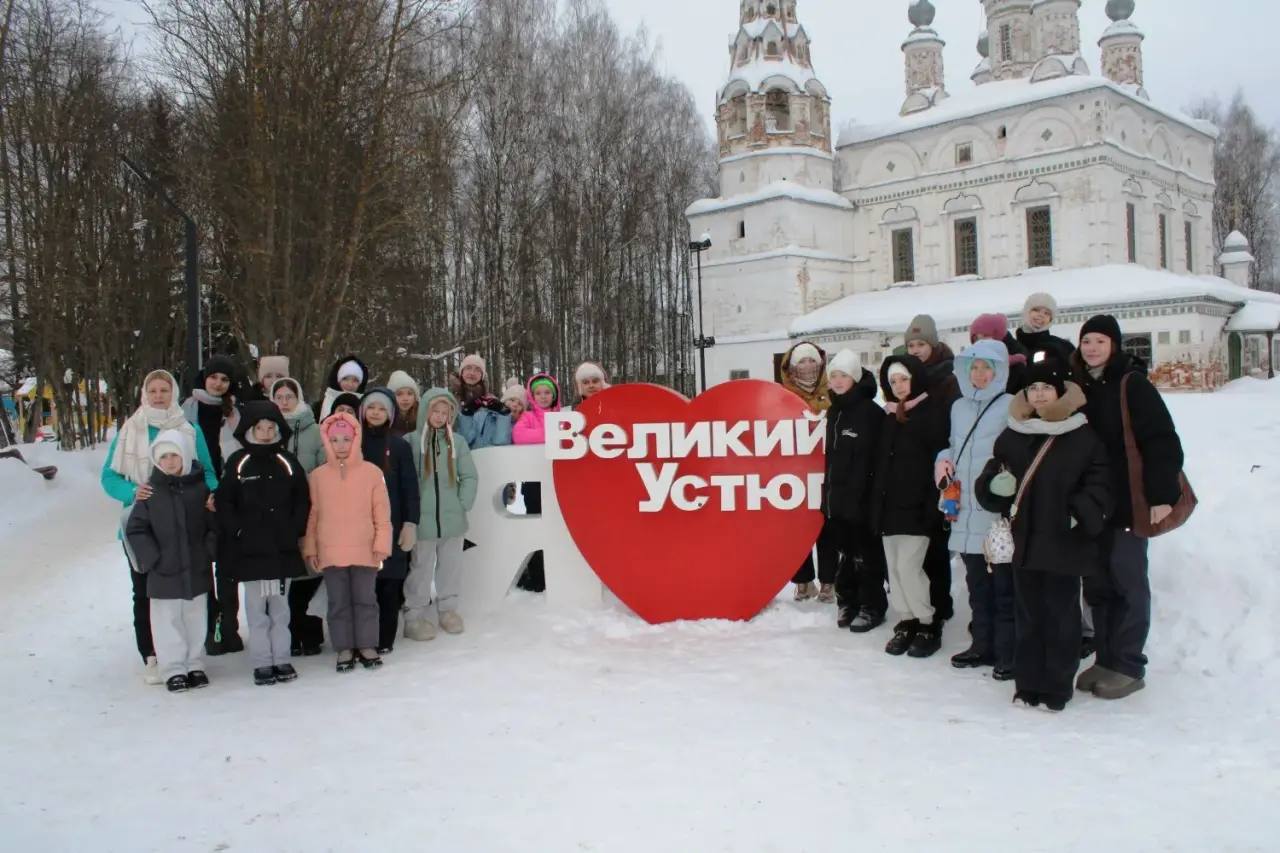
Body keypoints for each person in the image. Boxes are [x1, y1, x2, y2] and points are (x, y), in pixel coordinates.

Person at [977, 361, 1111, 711]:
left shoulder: (1082, 435)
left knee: (1061, 617)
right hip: (1024, 541)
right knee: (1028, 615)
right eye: (1032, 389)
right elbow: (993, 472)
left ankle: (1056, 686)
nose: (1038, 395)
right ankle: (1028, 684)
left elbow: (1100, 483)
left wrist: (1076, 514)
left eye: (1046, 388)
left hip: (1064, 541)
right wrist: (992, 485)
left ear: (1060, 391)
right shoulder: (1013, 433)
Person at [1072, 314, 1184, 700]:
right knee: (1098, 585)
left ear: (1114, 345)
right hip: (1094, 504)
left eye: (1100, 341)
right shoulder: (1079, 384)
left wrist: (1161, 496)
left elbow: (1162, 440)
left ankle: (1129, 664)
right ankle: (1106, 658)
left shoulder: (1131, 384)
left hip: (1128, 502)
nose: (1092, 348)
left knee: (1127, 582)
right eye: (1086, 341)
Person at [102, 369, 218, 685]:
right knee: (146, 594)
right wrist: (133, 492)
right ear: (144, 393)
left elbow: (208, 472)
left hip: (188, 524)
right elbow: (109, 477)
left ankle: (191, 656)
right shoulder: (131, 428)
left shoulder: (189, 429)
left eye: (164, 390)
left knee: (193, 595)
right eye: (152, 390)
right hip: (146, 525)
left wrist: (209, 496)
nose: (158, 396)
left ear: (173, 393)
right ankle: (153, 655)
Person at [934, 339, 1016, 678]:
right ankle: (982, 644)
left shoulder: (1010, 404)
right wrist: (943, 460)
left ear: (999, 372)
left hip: (993, 510)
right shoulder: (958, 407)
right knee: (977, 585)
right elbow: (954, 446)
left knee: (1003, 588)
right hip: (964, 506)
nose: (980, 374)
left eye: (987, 368)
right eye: (974, 368)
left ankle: (1008, 652)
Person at [215, 401, 311, 686]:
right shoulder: (239, 462)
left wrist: (294, 529)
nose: (266, 433)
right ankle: (261, 662)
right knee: (257, 612)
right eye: (260, 428)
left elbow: (302, 499)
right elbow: (225, 502)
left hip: (282, 549)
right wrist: (239, 531)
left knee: (280, 610)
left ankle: (281, 658)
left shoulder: (287, 461)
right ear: (250, 430)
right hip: (251, 552)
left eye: (271, 428)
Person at [870, 355, 951, 658]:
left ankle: (928, 621)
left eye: (904, 379)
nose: (899, 386)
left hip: (918, 509)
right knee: (894, 569)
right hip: (889, 509)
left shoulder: (932, 413)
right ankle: (906, 620)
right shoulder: (889, 417)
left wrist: (932, 506)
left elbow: (939, 464)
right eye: (893, 381)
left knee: (910, 567)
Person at [124, 431, 216, 693]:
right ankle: (173, 668)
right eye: (163, 456)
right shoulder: (150, 493)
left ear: (184, 455)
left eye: (174, 455)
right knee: (167, 621)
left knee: (195, 619)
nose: (170, 461)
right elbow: (136, 528)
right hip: (163, 571)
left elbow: (212, 525)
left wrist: (207, 551)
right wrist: (153, 558)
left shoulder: (200, 490)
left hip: (196, 568)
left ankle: (194, 663)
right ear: (156, 460)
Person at [303, 413, 393, 672]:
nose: (341, 445)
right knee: (338, 602)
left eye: (346, 439)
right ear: (326, 442)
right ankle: (344, 647)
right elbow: (313, 514)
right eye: (335, 440)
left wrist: (382, 543)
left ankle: (366, 644)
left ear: (356, 440)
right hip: (331, 551)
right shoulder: (318, 476)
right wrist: (311, 547)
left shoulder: (372, 473)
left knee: (365, 600)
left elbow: (381, 512)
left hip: (364, 549)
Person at [181, 355, 245, 657]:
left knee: (228, 566)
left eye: (224, 379)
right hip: (196, 493)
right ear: (204, 377)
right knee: (203, 564)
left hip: (228, 493)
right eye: (214, 377)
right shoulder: (186, 409)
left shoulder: (234, 412)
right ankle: (210, 629)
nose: (218, 384)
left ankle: (229, 627)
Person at [821, 350, 888, 632]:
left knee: (867, 556)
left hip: (862, 501)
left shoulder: (871, 413)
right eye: (834, 375)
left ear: (855, 378)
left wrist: (871, 499)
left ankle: (872, 606)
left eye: (844, 375)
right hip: (837, 501)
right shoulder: (834, 411)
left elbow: (877, 460)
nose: (838, 381)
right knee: (845, 556)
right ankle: (847, 601)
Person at [405, 389, 479, 640]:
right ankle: (414, 616)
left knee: (451, 567)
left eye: (444, 413)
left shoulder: (457, 442)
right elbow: (404, 479)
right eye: (434, 411)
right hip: (422, 520)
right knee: (420, 568)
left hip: (452, 519)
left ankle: (448, 610)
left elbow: (469, 476)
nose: (439, 416)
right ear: (425, 411)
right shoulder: (411, 441)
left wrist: (462, 503)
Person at [903, 315, 961, 623]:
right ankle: (918, 601)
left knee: (936, 541)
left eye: (921, 344)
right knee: (916, 542)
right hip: (912, 468)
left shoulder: (948, 378)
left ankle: (941, 602)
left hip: (940, 467)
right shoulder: (906, 376)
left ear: (933, 344)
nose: (915, 350)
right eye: (911, 345)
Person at [360, 388, 421, 654]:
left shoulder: (399, 445)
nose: (376, 413)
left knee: (390, 585)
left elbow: (410, 487)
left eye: (382, 409)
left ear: (390, 414)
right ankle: (365, 636)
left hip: (392, 525)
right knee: (366, 587)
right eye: (371, 408)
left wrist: (410, 523)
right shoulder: (353, 443)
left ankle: (385, 639)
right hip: (359, 526)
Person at [779, 341, 837, 601]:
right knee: (797, 528)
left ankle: (829, 580)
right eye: (801, 361)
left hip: (826, 473)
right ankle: (803, 581)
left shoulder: (833, 395)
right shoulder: (781, 397)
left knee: (826, 528)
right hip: (793, 474)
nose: (807, 366)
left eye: (812, 360)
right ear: (791, 367)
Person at [450, 354, 512, 448]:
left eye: (477, 370)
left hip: (487, 455)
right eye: (468, 368)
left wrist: (504, 414)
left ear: (482, 375)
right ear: (461, 372)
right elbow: (461, 440)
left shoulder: (491, 400)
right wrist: (466, 415)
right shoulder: (449, 400)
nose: (472, 373)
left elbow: (501, 440)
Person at [271, 379, 325, 473]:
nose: (284, 402)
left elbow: (324, 468)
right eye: (279, 398)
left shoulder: (317, 432)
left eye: (289, 397)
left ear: (298, 398)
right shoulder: (265, 430)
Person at [970, 313, 1029, 395]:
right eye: (975, 338)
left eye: (984, 335)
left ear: (997, 336)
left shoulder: (1017, 366)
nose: (979, 341)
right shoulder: (973, 359)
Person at [1016, 293, 1075, 366]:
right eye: (1036, 310)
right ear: (1026, 311)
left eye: (1047, 313)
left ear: (1051, 319)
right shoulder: (1011, 348)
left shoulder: (1063, 347)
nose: (1041, 315)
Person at [315, 355, 370, 421]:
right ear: (338, 380)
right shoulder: (318, 408)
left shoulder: (367, 409)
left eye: (355, 380)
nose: (350, 384)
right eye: (345, 379)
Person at [512, 373, 561, 445]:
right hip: (534, 452)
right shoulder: (527, 416)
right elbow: (518, 435)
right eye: (538, 393)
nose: (543, 397)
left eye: (547, 392)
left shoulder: (560, 417)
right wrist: (549, 434)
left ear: (553, 396)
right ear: (532, 397)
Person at [387, 370, 421, 439]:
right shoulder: (385, 419)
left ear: (415, 397)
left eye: (410, 393)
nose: (405, 398)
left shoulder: (423, 417)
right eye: (399, 394)